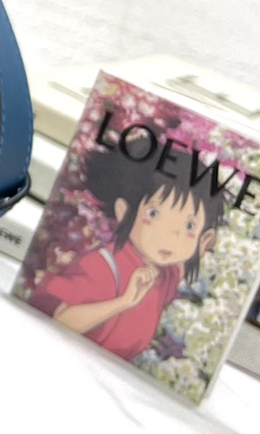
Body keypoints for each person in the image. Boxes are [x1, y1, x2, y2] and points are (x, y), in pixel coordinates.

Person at [28, 143, 227, 361]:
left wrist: (199, 246)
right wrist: (123, 302)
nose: (171, 236)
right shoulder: (101, 266)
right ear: (124, 211)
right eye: (153, 214)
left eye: (189, 226)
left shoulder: (164, 273)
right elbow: (58, 320)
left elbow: (180, 267)